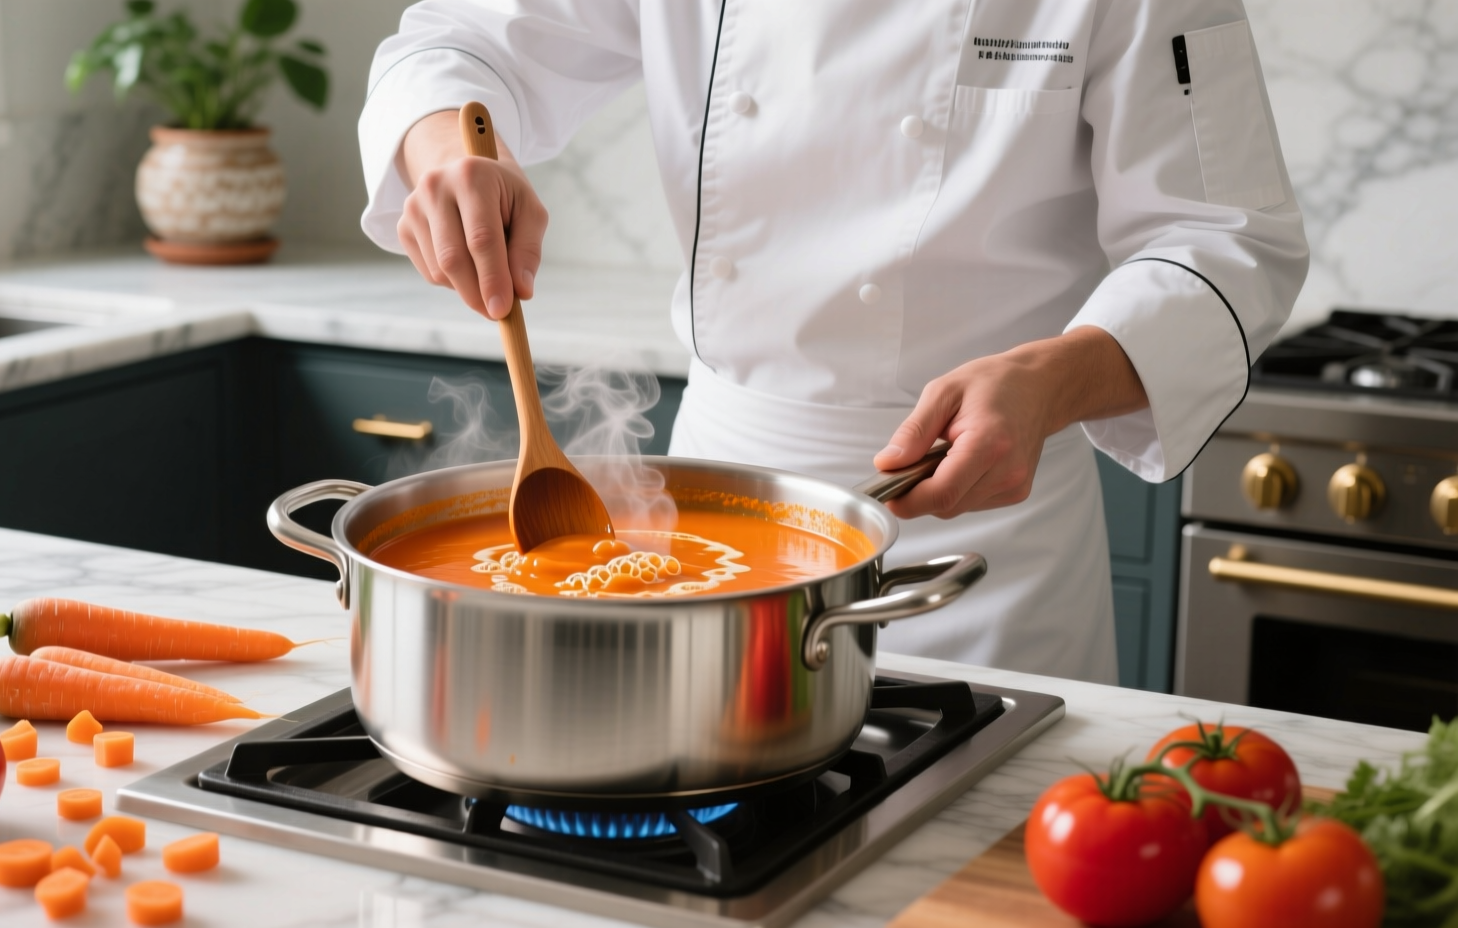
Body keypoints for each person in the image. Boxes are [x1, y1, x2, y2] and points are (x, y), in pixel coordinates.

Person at [357, 1, 1307, 683]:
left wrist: (1052, 380)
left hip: (976, 538)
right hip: (709, 524)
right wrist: (449, 156)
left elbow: (1226, 239)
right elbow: (458, 40)